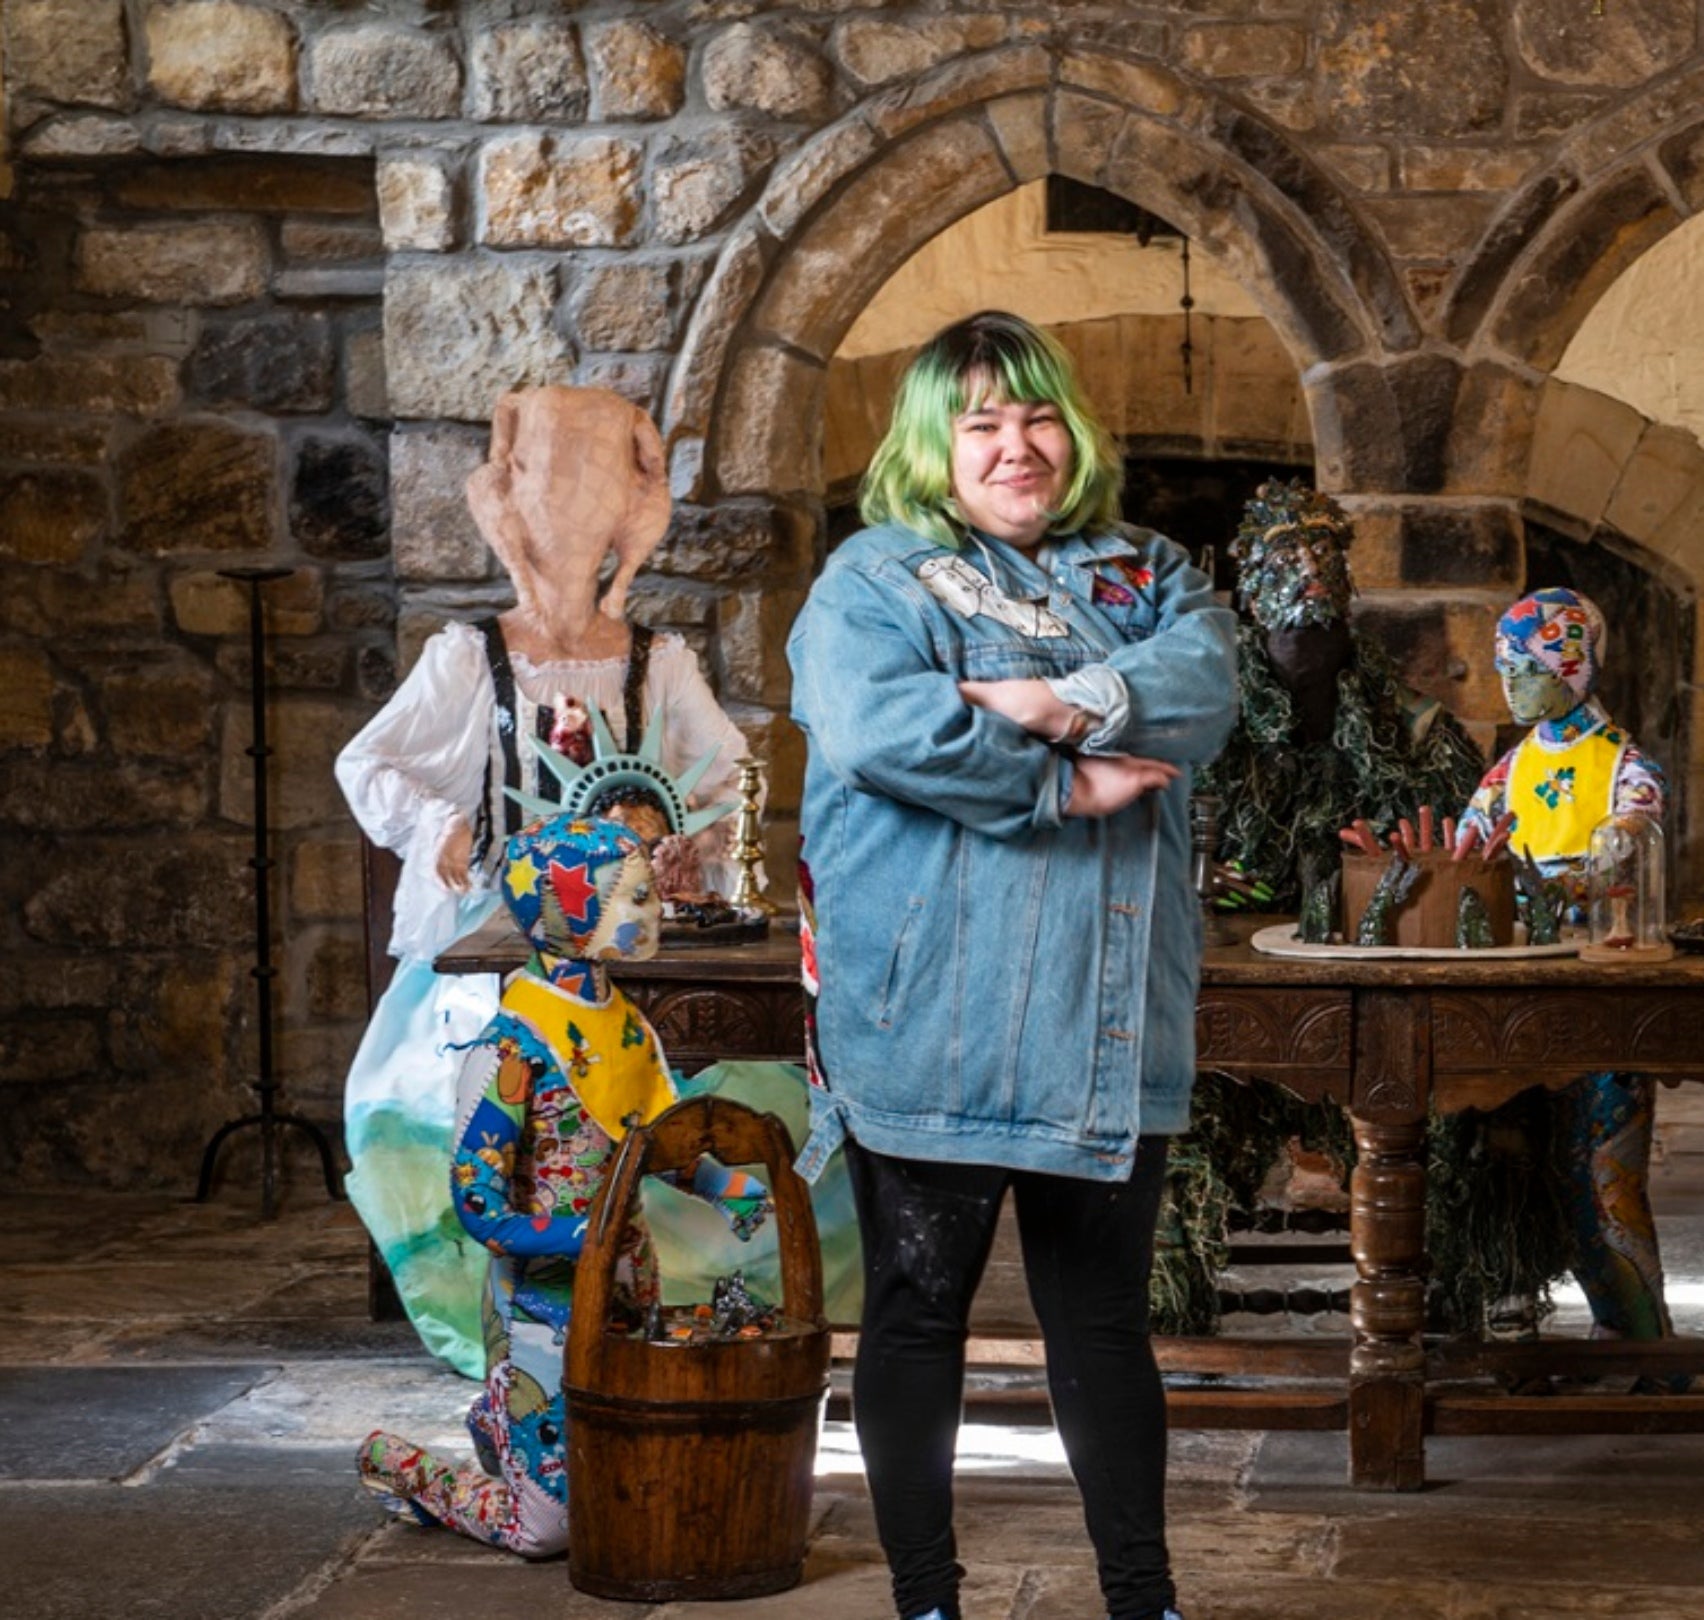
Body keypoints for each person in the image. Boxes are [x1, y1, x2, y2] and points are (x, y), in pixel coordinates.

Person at [788, 310, 1234, 1620]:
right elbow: (885, 730)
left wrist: (1058, 702)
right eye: (980, 422)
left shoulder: (1145, 569)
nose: (1015, 445)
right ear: (935, 443)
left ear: (1071, 432)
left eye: (1035, 416)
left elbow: (1208, 677)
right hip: (939, 1013)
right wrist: (1056, 789)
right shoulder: (873, 582)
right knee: (917, 1315)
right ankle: (927, 1597)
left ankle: (1141, 1599)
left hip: (1108, 1020)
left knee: (1102, 1328)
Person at [336, 384, 748, 1377]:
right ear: (513, 503)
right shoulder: (471, 657)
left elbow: (728, 774)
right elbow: (368, 762)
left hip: (637, 941)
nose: (568, 510)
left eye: (591, 485)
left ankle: (694, 1303)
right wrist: (437, 819)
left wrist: (699, 840)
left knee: (739, 1089)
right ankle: (519, 1309)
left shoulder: (658, 660)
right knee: (433, 1092)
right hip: (498, 946)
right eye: (550, 484)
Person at [1166, 479, 1579, 1340]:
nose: (1310, 580)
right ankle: (1171, 1318)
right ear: (1250, 592)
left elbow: (1468, 866)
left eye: (1324, 561)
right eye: (1287, 563)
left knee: (1492, 1101)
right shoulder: (1202, 725)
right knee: (1166, 1118)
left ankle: (1471, 1299)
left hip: (1387, 1006)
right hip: (1230, 1015)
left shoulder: (1413, 730)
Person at [354, 814, 771, 1555]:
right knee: (547, 1532)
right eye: (636, 898)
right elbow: (480, 1209)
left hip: (630, 1287)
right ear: (571, 912)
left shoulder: (627, 1026)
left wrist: (720, 1184)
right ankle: (405, 1466)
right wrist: (585, 1237)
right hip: (541, 1305)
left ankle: (501, 1428)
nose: (653, 912)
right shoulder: (513, 1044)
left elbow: (654, 1135)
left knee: (635, 1484)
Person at [1457, 587, 1678, 1351]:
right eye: (1502, 666)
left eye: (1522, 666)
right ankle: (1514, 1338)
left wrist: (1592, 862)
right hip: (1514, 1003)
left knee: (1607, 1184)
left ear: (1572, 666)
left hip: (1601, 995)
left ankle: (1649, 1348)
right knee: (1511, 1169)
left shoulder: (1627, 767)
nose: (1508, 684)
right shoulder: (1506, 771)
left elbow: (1631, 838)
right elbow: (1466, 853)